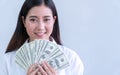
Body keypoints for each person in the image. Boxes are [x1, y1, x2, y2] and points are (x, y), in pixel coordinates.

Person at [2, 0, 84, 75]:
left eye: (46, 19)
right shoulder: (7, 62)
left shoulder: (72, 59)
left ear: (54, 20)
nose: (40, 27)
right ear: (24, 21)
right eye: (33, 20)